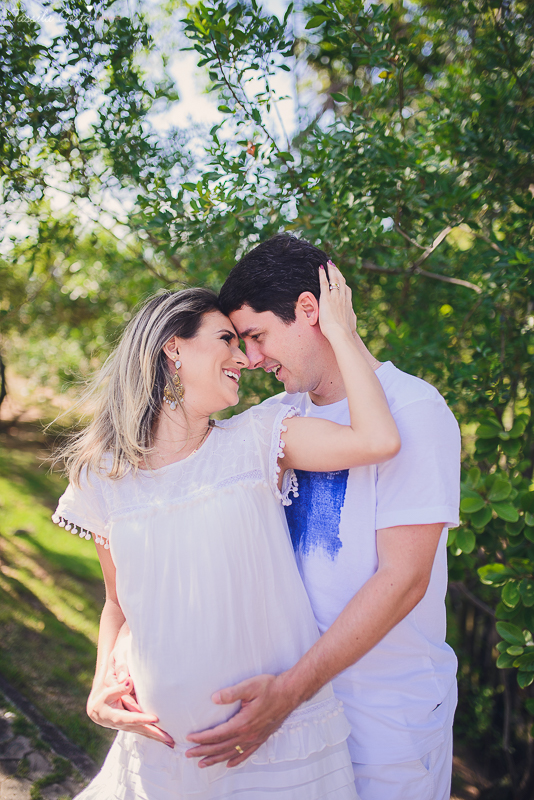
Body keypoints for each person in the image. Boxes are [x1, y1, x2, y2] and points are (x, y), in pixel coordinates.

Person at [52, 263, 400, 800]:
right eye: (226, 341)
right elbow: (118, 604)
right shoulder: (104, 478)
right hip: (162, 757)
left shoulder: (259, 439)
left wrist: (341, 332)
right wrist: (101, 685)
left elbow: (377, 440)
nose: (245, 358)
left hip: (275, 748)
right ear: (173, 348)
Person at [183, 234, 461, 800]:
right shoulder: (276, 416)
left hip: (388, 717)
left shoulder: (415, 409)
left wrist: (291, 690)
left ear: (310, 311)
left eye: (257, 336)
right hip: (299, 713)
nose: (252, 359)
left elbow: (403, 579)